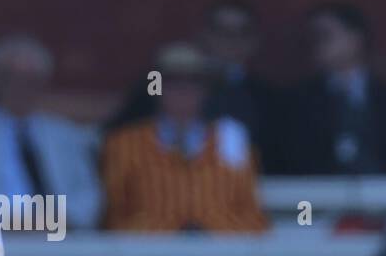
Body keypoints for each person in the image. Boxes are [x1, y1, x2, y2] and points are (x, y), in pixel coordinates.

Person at [101, 43, 267, 232]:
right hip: (149, 255)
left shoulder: (231, 140)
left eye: (192, 83)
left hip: (219, 255)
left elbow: (251, 216)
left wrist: (211, 231)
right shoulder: (124, 145)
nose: (183, 91)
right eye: (173, 83)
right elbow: (114, 218)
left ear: (205, 90)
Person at [281, 4, 386, 177]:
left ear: (356, 39)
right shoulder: (298, 99)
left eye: (325, 36)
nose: (317, 44)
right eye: (313, 38)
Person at [0, 34, 102, 229]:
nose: (21, 88)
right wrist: (13, 222)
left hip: (60, 239)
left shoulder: (65, 135)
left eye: (30, 80)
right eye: (12, 78)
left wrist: (59, 219)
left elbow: (88, 194)